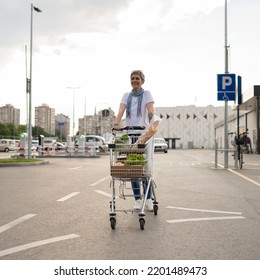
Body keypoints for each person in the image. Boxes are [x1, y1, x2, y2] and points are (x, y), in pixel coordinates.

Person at [114, 70, 154, 211]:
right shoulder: (126, 95)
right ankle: (138, 199)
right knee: (133, 168)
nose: (134, 80)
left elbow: (150, 109)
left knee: (145, 169)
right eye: (132, 78)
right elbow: (120, 111)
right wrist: (116, 124)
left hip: (143, 135)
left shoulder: (147, 94)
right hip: (130, 135)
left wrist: (151, 121)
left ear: (142, 80)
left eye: (137, 78)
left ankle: (148, 198)